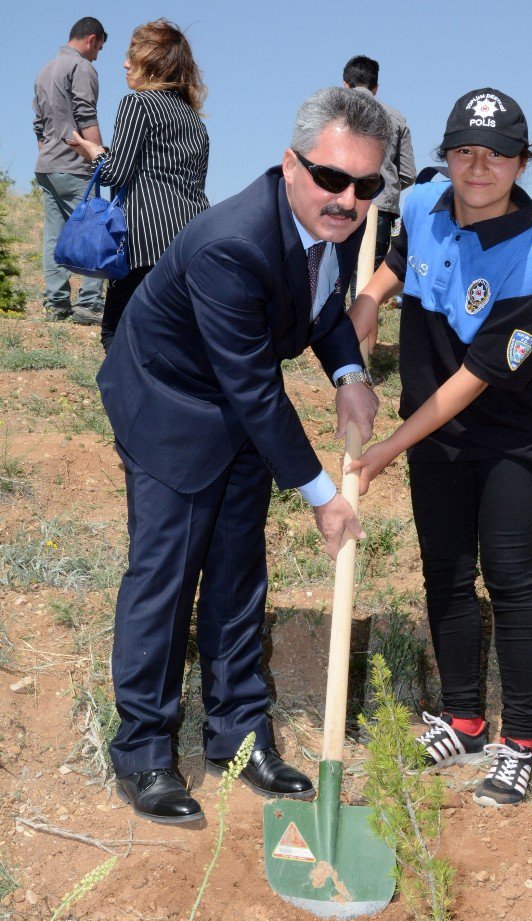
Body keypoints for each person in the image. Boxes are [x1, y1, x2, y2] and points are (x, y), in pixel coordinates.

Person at [96, 87, 391, 824]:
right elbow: (257, 391)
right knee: (166, 574)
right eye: (331, 177)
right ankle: (143, 752)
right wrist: (326, 497)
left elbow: (321, 308)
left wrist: (350, 373)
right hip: (169, 402)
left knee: (237, 570)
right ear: (290, 164)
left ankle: (238, 736)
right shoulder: (232, 241)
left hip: (236, 407)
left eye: (366, 185)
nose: (347, 199)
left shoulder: (340, 223)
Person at [348, 88, 532, 808]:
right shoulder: (420, 204)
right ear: (445, 157)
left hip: (508, 433)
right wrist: (371, 300)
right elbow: (403, 263)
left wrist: (385, 450)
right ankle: (467, 720)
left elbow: (475, 379)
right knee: (445, 570)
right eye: (465, 151)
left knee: (508, 575)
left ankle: (520, 742)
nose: (479, 167)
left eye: (498, 154)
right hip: (432, 428)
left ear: (520, 165)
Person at [67, 19, 210, 353]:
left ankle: (129, 402)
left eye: (132, 55)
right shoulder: (193, 119)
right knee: (171, 338)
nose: (125, 63)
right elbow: (192, 182)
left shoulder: (137, 104)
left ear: (153, 64)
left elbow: (114, 174)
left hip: (144, 241)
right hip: (191, 241)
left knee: (115, 333)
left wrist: (95, 154)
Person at [33, 16, 107, 324]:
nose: (97, 54)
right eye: (99, 48)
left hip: (47, 166)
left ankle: (57, 304)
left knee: (54, 236)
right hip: (74, 165)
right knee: (94, 231)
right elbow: (85, 113)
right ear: (92, 39)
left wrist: (51, 156)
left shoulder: (45, 70)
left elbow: (38, 126)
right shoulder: (82, 67)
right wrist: (99, 155)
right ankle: (89, 304)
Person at [343, 55, 416, 275]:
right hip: (381, 207)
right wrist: (385, 187)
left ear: (346, 84)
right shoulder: (396, 118)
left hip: (337, 202)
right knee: (370, 275)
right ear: (376, 87)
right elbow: (409, 173)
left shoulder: (331, 111)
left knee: (334, 272)